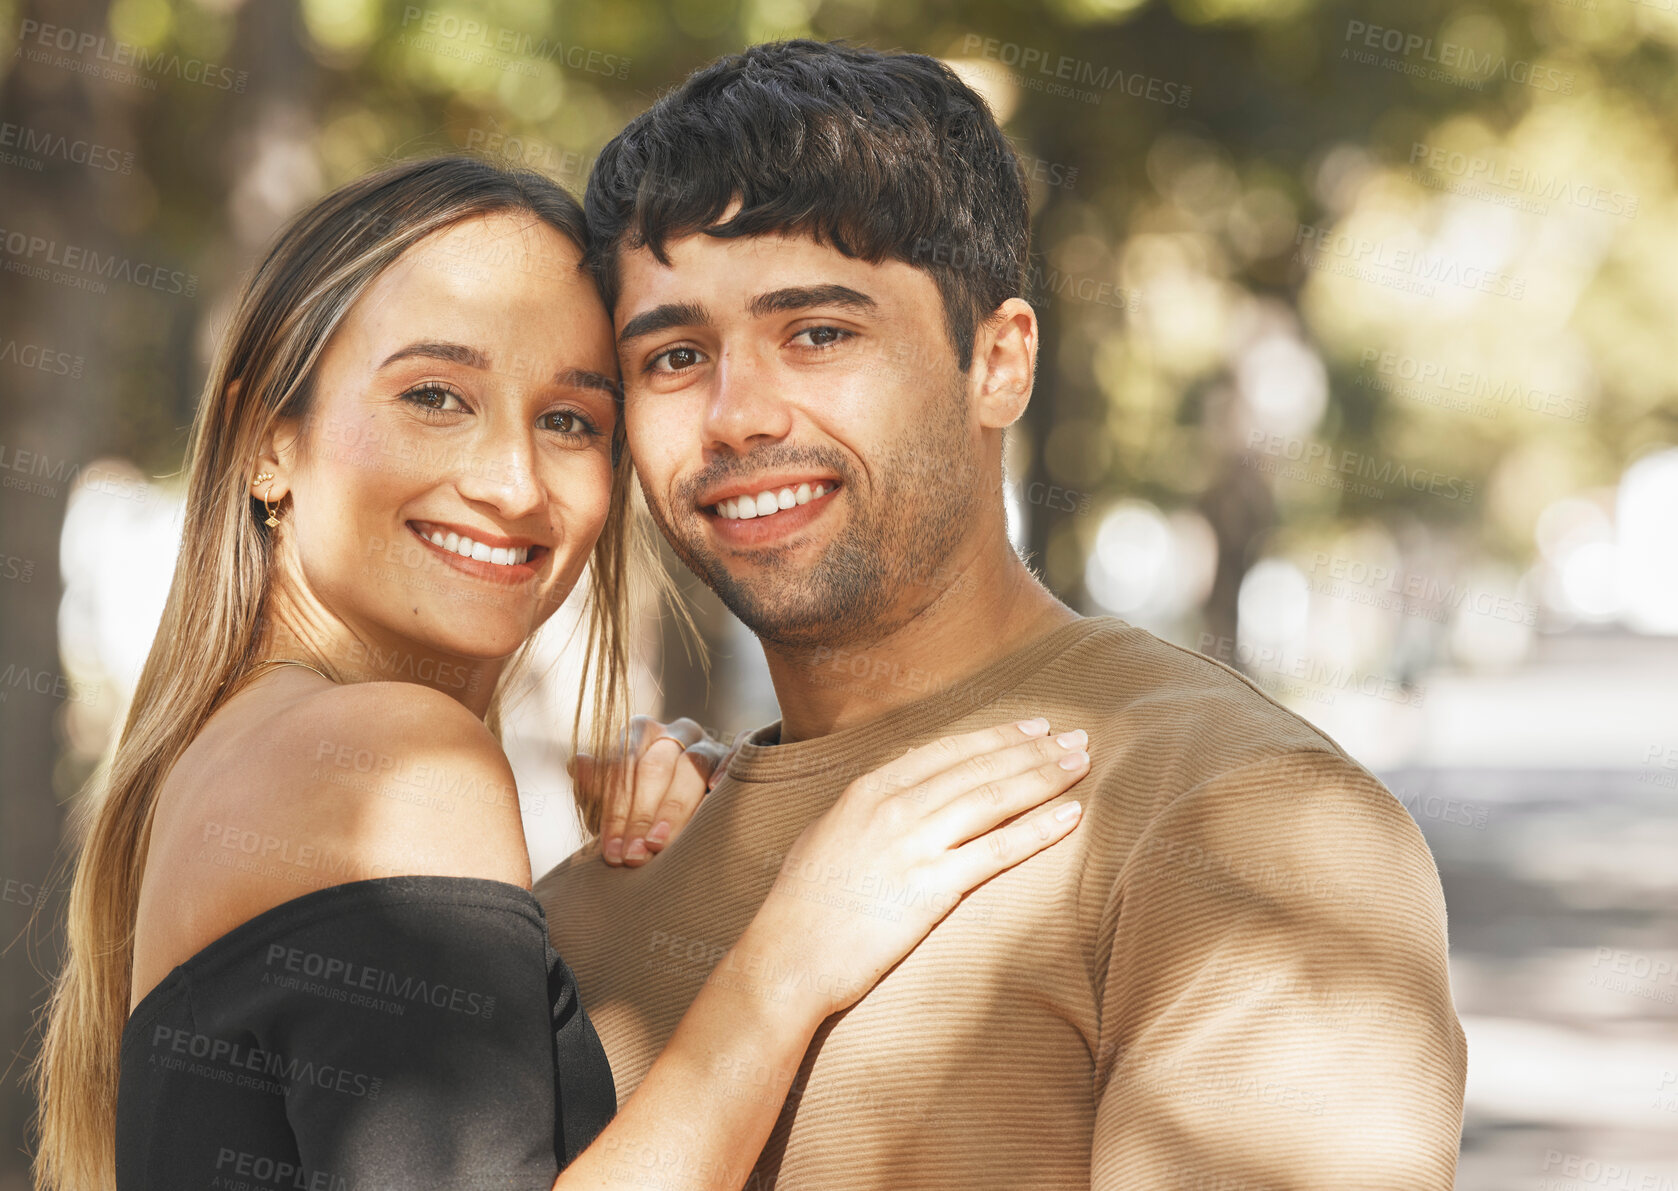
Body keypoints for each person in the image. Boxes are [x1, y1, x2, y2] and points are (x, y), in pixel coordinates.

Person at [27, 155, 1091, 1191]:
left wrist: (686, 861)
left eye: (570, 421)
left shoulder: (232, 761)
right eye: (436, 396)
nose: (512, 482)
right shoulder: (390, 758)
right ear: (269, 439)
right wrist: (791, 953)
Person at [535, 39, 1469, 1190]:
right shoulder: (603, 887)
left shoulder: (1241, 817)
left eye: (819, 333)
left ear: (1000, 362)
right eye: (675, 356)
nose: (736, 416)